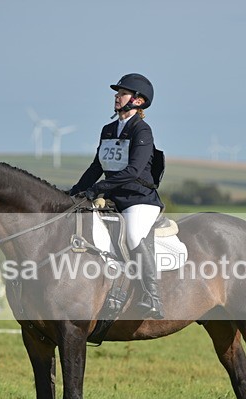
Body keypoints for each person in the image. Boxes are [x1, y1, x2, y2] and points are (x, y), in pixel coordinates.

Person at [69, 73, 165, 319]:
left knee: (132, 234)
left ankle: (152, 295)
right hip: (113, 198)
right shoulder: (108, 129)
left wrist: (99, 189)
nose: (117, 96)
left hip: (138, 199)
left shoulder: (142, 131)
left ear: (138, 101)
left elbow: (133, 172)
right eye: (117, 92)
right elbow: (96, 167)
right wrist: (75, 192)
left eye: (122, 93)